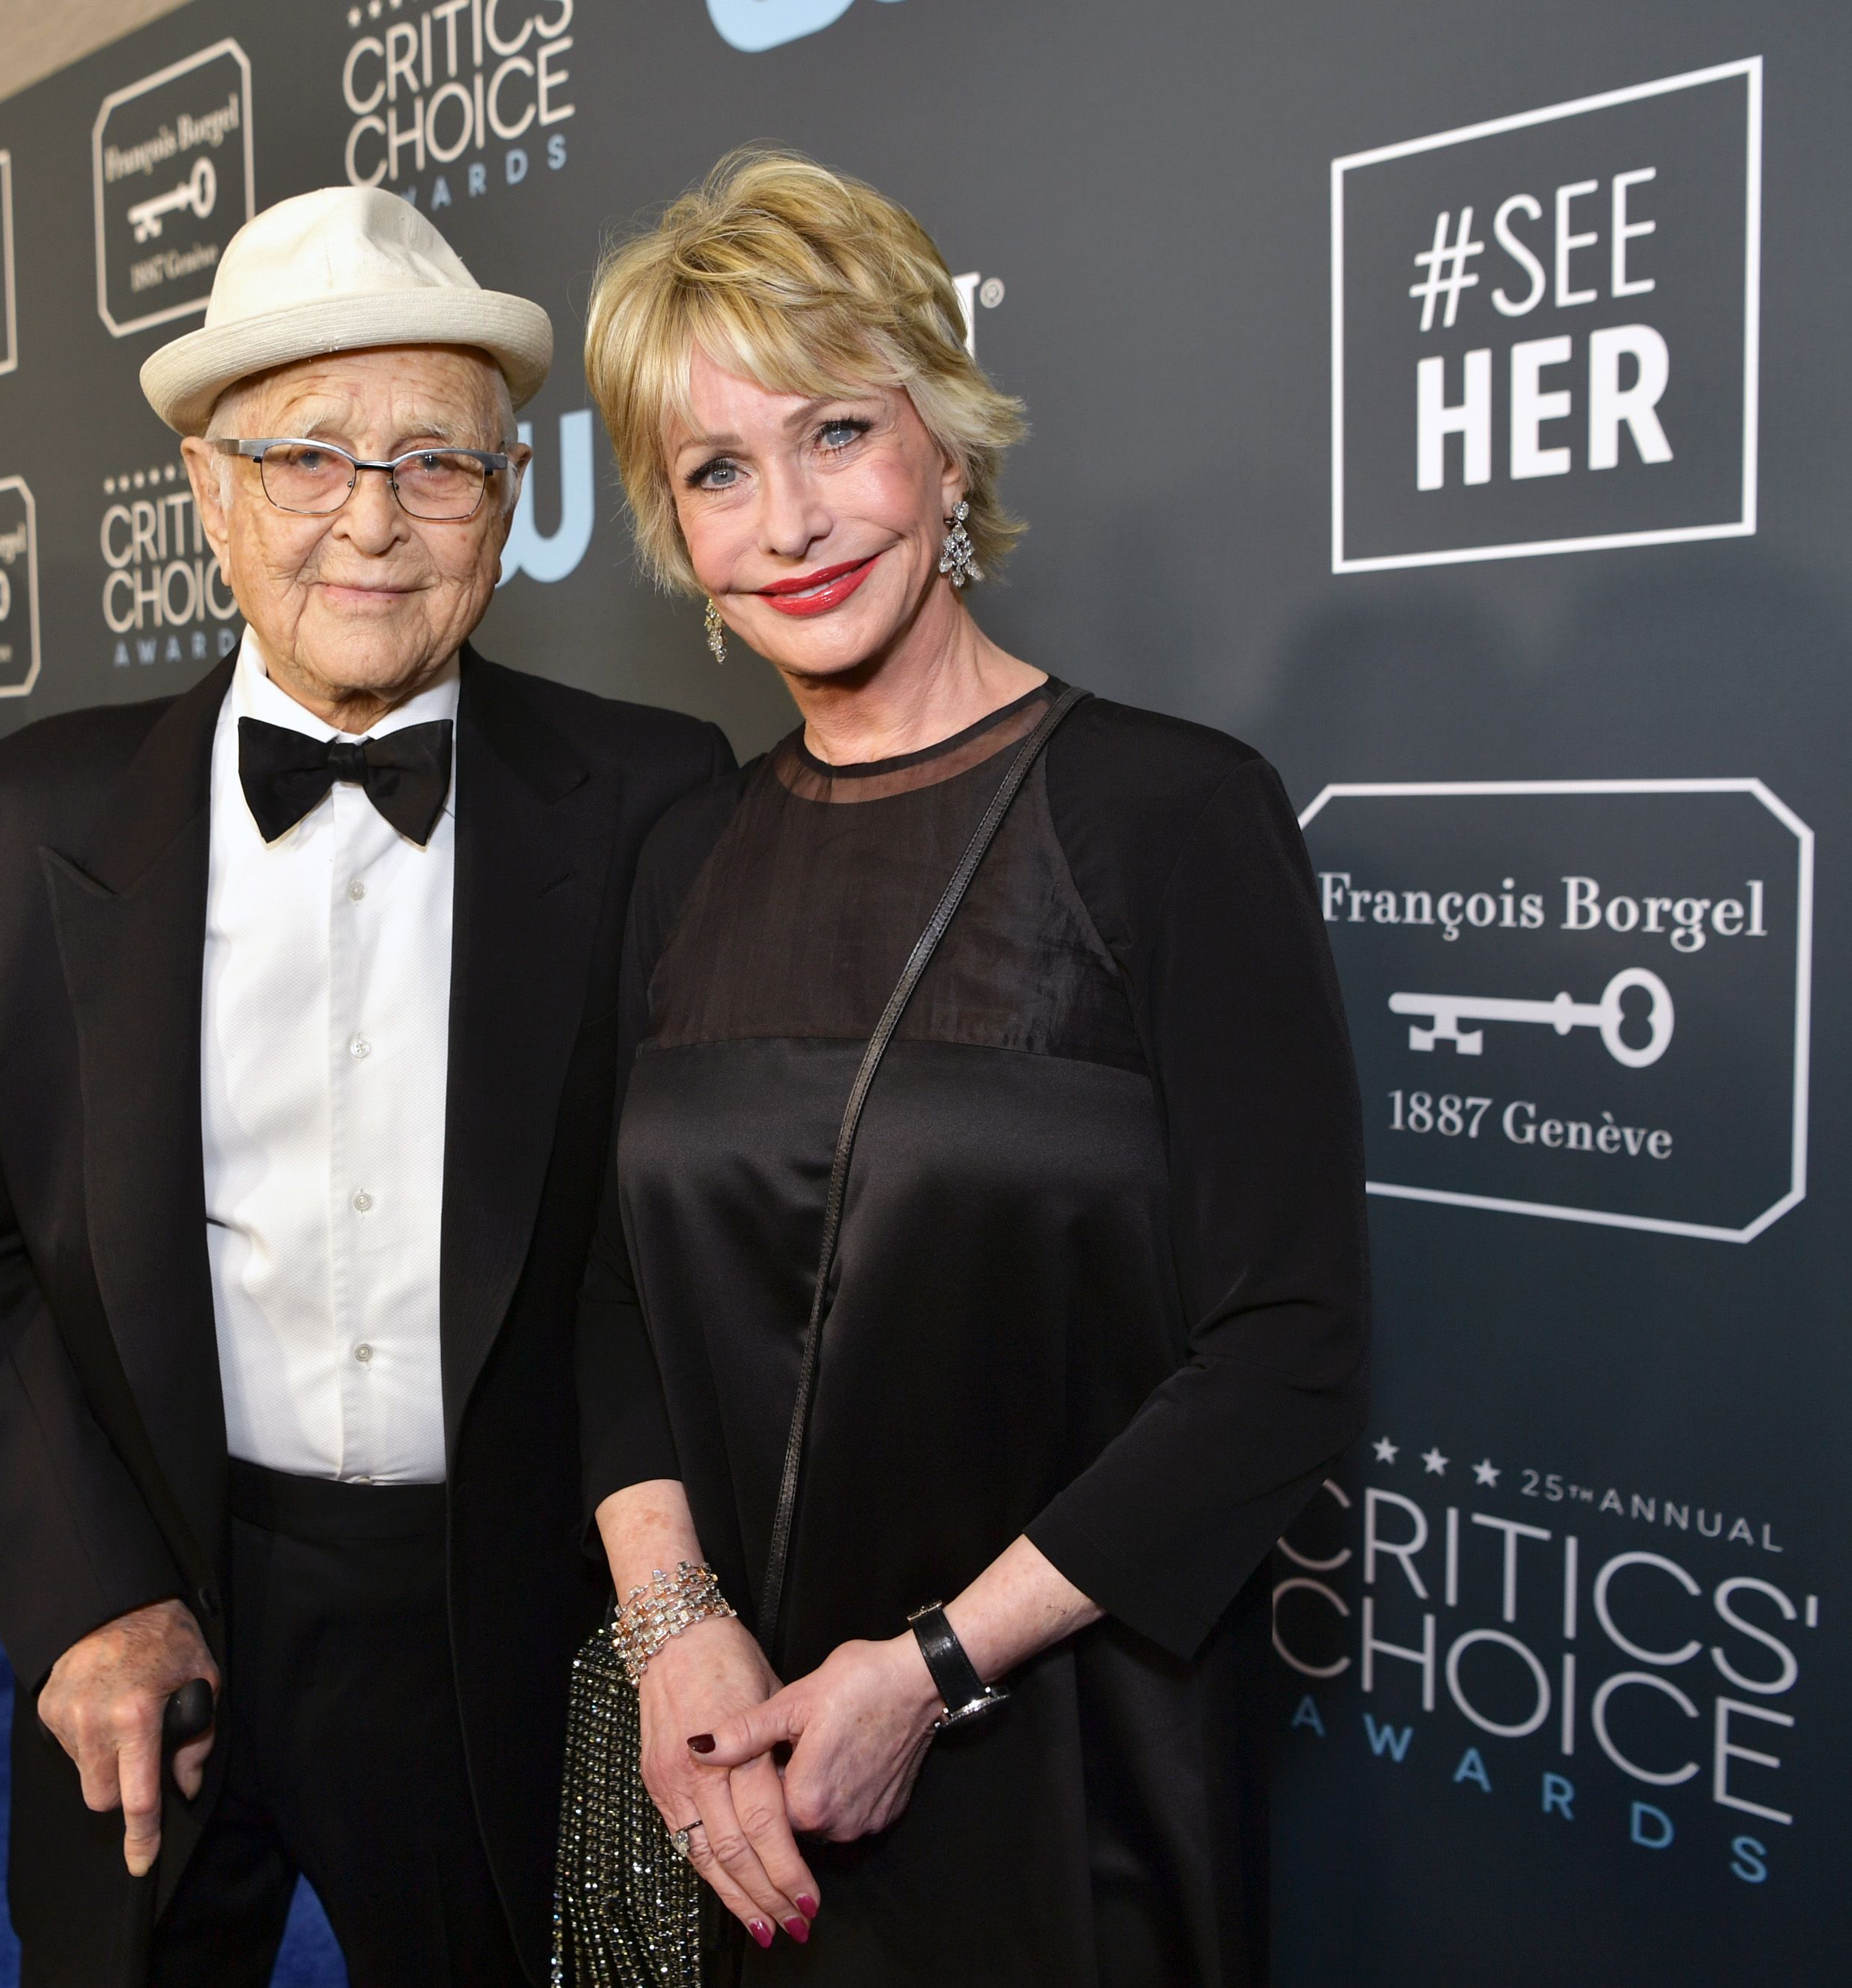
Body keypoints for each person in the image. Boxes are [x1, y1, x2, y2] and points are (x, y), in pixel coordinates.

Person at [0, 186, 731, 1987]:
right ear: (206, 484)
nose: (373, 521)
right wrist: (79, 1590)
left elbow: (666, 1259)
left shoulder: (658, 798)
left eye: (438, 462)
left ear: (507, 496)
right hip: (148, 1599)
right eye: (307, 458)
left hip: (505, 1611)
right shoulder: (5, 826)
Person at [574, 150, 1370, 1981]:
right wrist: (675, 1632)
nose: (786, 517)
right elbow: (610, 1290)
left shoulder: (1168, 812)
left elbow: (1287, 1349)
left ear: (948, 447)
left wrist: (934, 1665)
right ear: (673, 530)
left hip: (1070, 1752)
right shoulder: (680, 855)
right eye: (716, 469)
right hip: (730, 1752)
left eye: (837, 431)